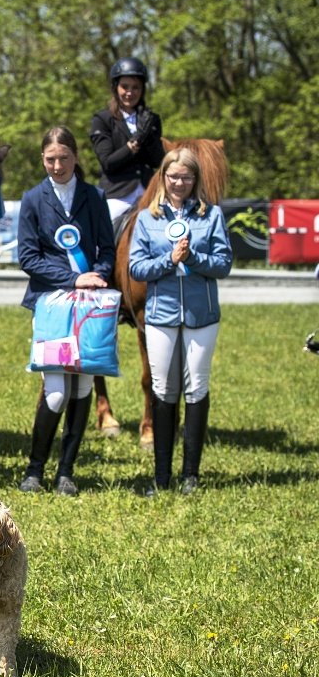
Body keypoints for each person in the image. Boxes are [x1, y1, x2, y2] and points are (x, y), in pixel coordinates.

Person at [17, 126, 114, 496]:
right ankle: (34, 469)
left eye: (64, 158)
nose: (57, 166)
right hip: (51, 306)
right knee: (56, 392)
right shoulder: (33, 199)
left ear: (75, 157)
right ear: (42, 159)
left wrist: (97, 276)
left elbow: (107, 248)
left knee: (83, 386)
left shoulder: (94, 196)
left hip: (90, 305)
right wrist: (74, 278)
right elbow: (28, 257)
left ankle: (66, 471)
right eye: (50, 159)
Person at [128, 147, 232, 495]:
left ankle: (191, 475)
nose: (179, 183)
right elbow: (137, 268)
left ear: (195, 179)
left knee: (197, 387)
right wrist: (169, 260)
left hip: (202, 316)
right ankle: (161, 477)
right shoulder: (147, 218)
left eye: (186, 177)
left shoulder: (211, 215)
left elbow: (223, 264)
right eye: (173, 176)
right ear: (163, 177)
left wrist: (193, 257)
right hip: (161, 315)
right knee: (163, 389)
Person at [90, 57, 165, 223]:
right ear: (116, 87)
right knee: (105, 229)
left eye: (135, 87)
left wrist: (148, 136)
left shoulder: (151, 119)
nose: (130, 93)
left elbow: (157, 161)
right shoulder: (102, 119)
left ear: (142, 90)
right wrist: (135, 142)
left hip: (149, 191)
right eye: (125, 87)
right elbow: (108, 162)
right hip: (118, 194)